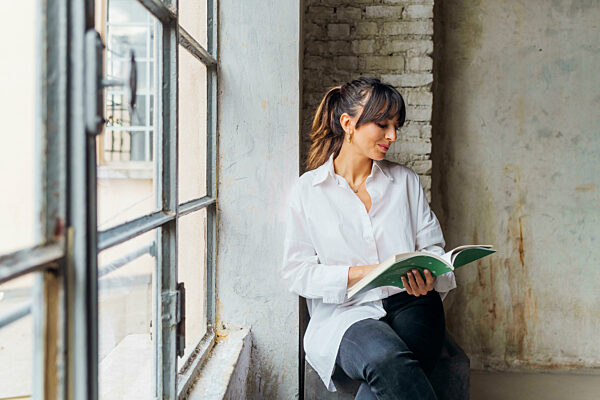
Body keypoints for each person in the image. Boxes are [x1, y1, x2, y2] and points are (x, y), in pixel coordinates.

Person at [281, 77, 457, 399]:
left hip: (414, 302)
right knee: (385, 359)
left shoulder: (404, 181)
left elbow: (433, 247)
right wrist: (367, 272)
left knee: (392, 373)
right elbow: (297, 272)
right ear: (348, 124)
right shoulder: (308, 191)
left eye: (396, 126)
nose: (392, 135)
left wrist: (429, 274)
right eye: (382, 124)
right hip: (346, 312)